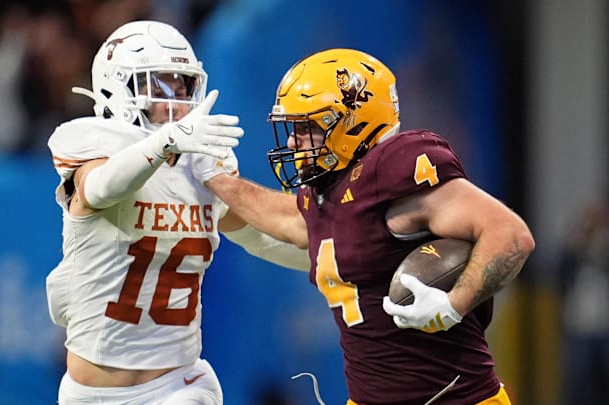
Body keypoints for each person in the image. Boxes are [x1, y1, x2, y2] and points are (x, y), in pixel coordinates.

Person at [201, 48, 535, 404]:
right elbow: (286, 220)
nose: (293, 142)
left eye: (307, 128)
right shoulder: (328, 193)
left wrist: (454, 302)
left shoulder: (393, 169)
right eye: (292, 128)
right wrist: (215, 179)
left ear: (354, 121)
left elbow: (510, 234)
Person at [45, 20, 309, 405]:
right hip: (88, 393)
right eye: (160, 85)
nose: (177, 100)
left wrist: (343, 260)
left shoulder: (199, 163)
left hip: (177, 386)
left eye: (182, 85)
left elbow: (262, 238)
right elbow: (100, 189)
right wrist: (164, 144)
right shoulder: (94, 144)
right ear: (116, 87)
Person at [557, 200, 609, 405]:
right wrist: (580, 242)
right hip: (579, 327)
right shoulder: (574, 252)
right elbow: (560, 276)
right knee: (578, 384)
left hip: (604, 328)